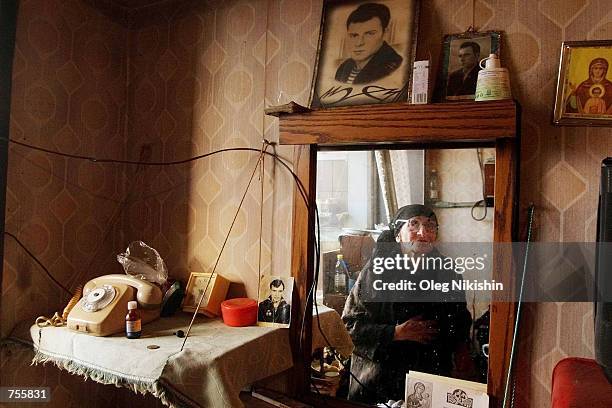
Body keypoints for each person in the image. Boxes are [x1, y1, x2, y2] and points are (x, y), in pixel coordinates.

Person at [342, 204, 472, 404]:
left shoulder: (448, 272)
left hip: (429, 376)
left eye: (430, 226)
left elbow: (460, 322)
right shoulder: (375, 273)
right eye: (414, 224)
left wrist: (460, 353)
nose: (423, 232)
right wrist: (395, 332)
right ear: (397, 235)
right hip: (378, 377)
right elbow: (349, 326)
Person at [334, 3, 403, 85]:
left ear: (385, 34)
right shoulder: (343, 68)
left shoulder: (394, 68)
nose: (359, 43)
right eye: (354, 35)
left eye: (369, 34)